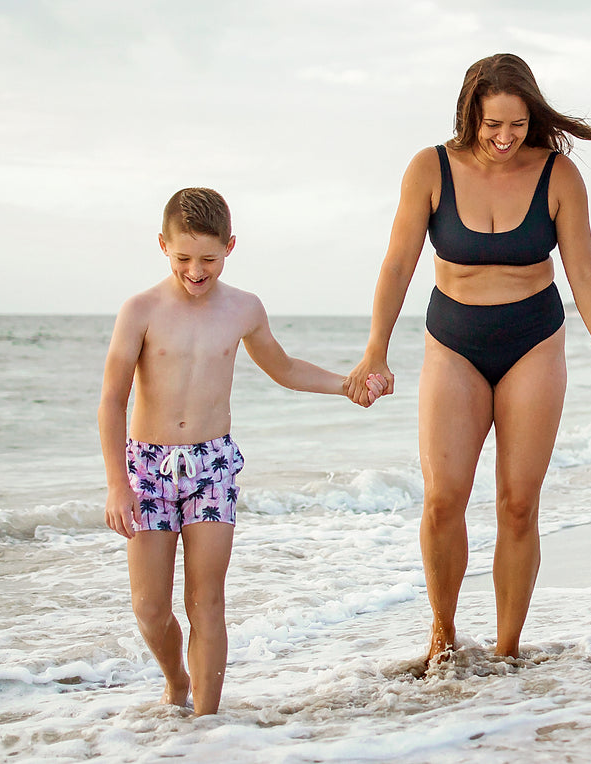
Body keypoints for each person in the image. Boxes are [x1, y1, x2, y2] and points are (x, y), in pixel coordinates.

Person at [343, 53, 591, 665]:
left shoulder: (559, 176)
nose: (504, 139)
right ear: (470, 113)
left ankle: (506, 652)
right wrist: (376, 348)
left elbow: (583, 266)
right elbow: (398, 263)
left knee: (518, 504)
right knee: (444, 498)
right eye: (492, 124)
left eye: (518, 126)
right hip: (454, 341)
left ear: (533, 118)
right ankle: (442, 640)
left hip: (534, 339)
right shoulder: (430, 168)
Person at [99, 187, 384, 715]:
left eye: (208, 258)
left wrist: (346, 385)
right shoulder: (139, 310)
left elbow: (284, 367)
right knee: (150, 607)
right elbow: (112, 399)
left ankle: (207, 728)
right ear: (163, 245)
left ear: (230, 246)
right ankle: (176, 681)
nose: (196, 270)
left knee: (207, 600)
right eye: (184, 258)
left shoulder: (243, 308)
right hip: (147, 468)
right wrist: (118, 483)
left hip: (211, 466)